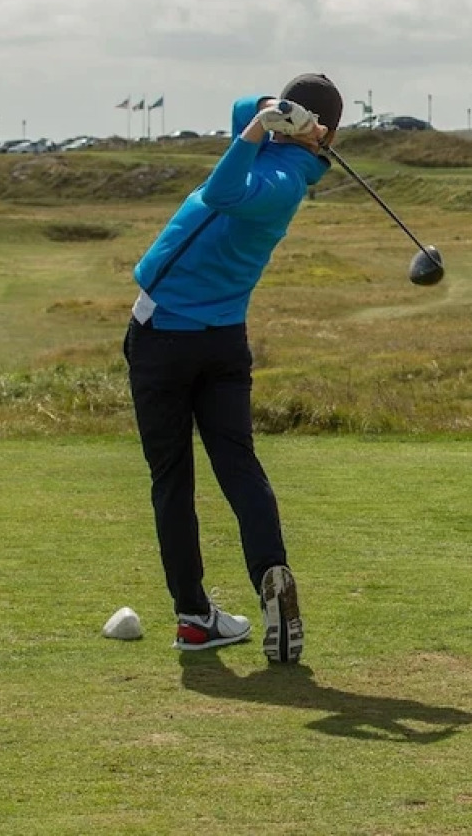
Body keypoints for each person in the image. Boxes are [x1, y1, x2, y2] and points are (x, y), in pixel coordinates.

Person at [123, 73, 344, 662]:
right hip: (221, 342)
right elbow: (241, 105)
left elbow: (223, 191)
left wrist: (256, 129)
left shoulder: (280, 180)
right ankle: (265, 581)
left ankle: (198, 617)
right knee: (236, 463)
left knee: (175, 479)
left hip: (166, 339)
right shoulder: (278, 148)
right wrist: (274, 110)